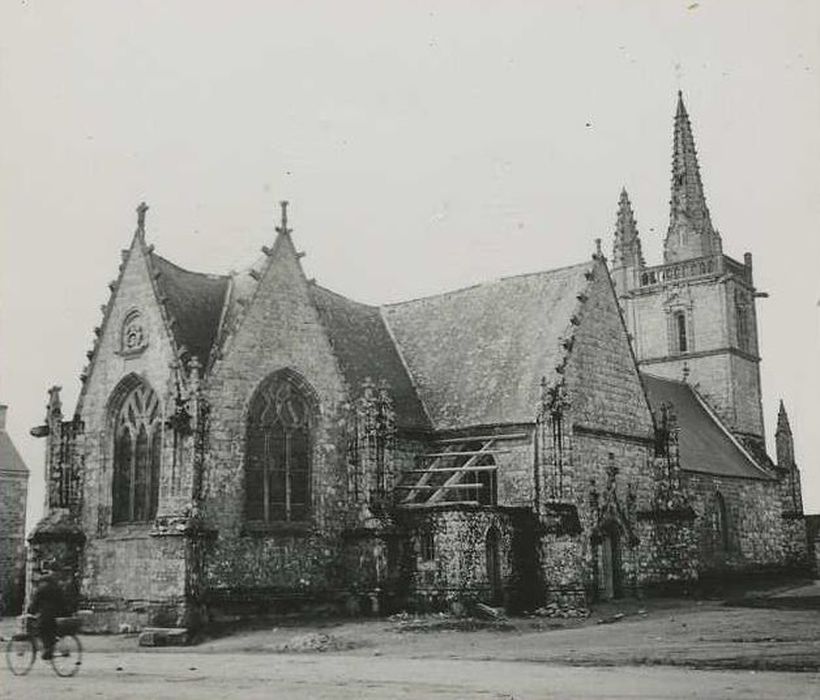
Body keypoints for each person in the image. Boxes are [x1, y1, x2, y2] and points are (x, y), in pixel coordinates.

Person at [27, 572, 66, 660]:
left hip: (47, 615)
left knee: (41, 629)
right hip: (58, 615)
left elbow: (35, 603)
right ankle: (50, 647)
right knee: (51, 631)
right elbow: (63, 601)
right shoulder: (57, 588)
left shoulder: (42, 589)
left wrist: (30, 612)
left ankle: (48, 650)